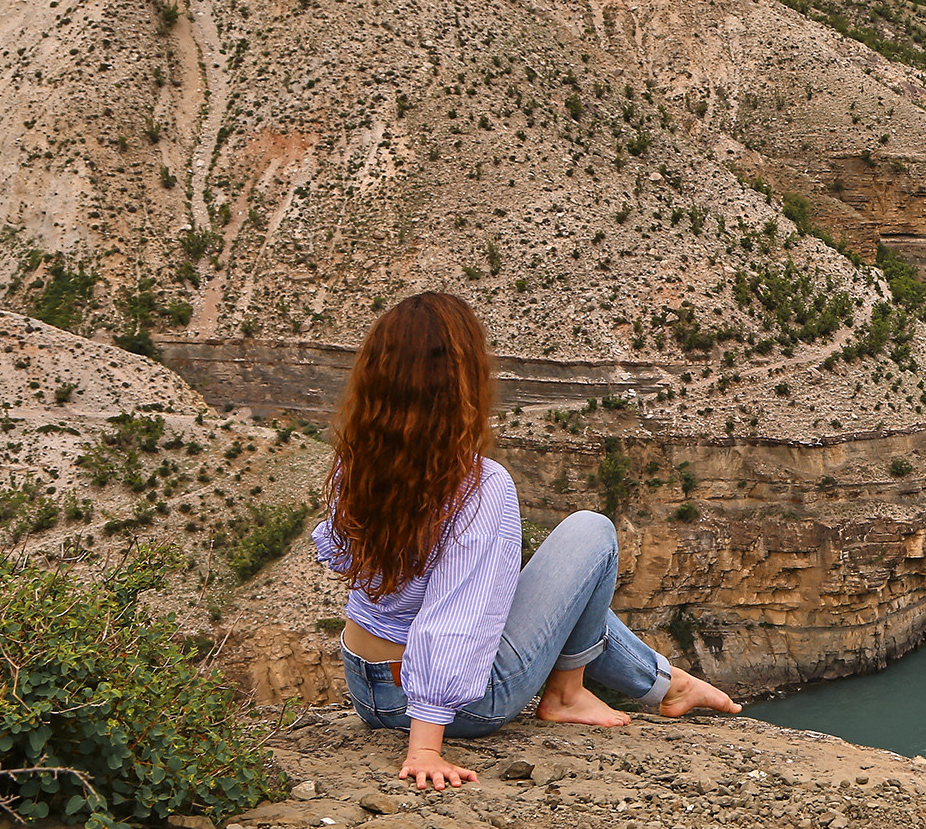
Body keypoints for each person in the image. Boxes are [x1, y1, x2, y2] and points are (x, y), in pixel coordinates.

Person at [311, 291, 738, 789]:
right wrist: (425, 748)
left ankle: (669, 684)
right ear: (464, 380)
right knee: (592, 533)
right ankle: (569, 693)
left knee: (540, 587)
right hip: (453, 706)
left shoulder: (356, 464)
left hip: (367, 689)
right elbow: (455, 621)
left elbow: (348, 560)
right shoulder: (478, 485)